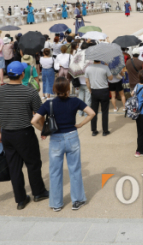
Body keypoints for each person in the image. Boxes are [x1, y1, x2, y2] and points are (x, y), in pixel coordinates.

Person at [31, 77, 95, 212]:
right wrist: (81, 124)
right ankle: (77, 201)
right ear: (67, 89)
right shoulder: (75, 101)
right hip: (72, 136)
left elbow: (34, 120)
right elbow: (91, 113)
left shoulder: (49, 104)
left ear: (54, 89)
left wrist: (44, 131)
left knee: (55, 172)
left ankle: (56, 203)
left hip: (56, 139)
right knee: (75, 170)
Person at [0, 61, 47, 210]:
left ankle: (20, 199)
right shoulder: (30, 92)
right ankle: (38, 192)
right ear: (22, 74)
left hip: (7, 133)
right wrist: (43, 129)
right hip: (24, 132)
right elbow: (39, 113)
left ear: (8, 75)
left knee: (14, 167)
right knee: (33, 163)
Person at [85, 59, 113, 136]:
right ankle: (105, 130)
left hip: (94, 90)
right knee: (105, 111)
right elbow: (110, 78)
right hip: (104, 90)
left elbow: (87, 81)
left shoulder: (88, 68)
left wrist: (90, 90)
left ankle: (94, 130)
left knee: (93, 112)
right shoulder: (105, 67)